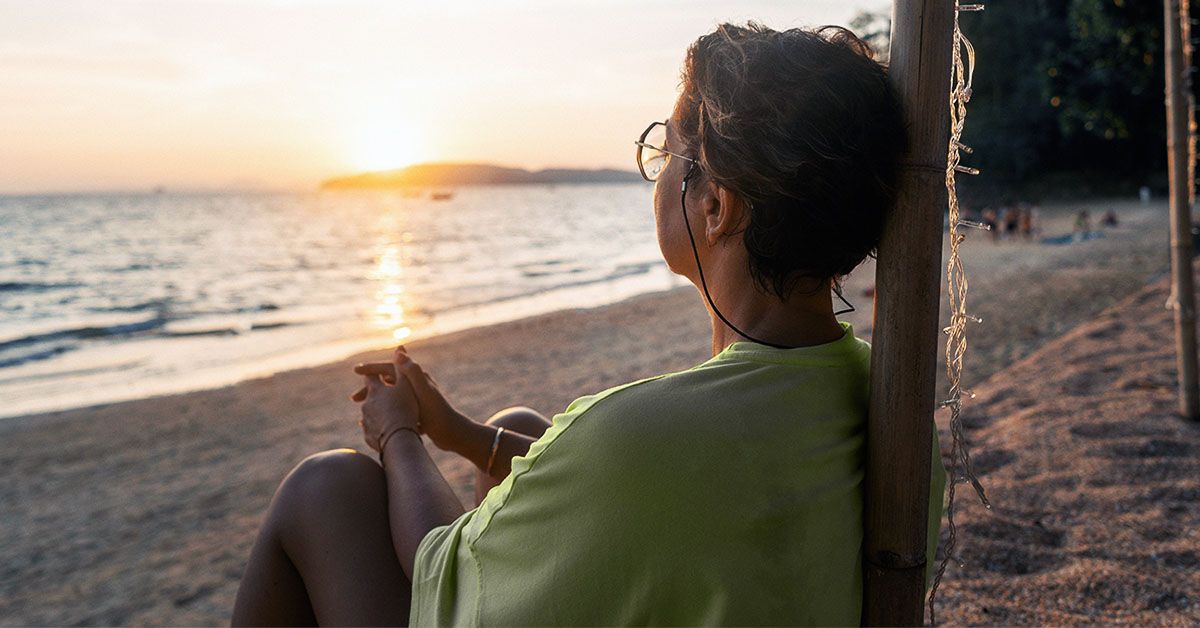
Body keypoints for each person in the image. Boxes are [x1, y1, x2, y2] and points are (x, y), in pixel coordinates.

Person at [231, 22, 946, 626]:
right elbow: (642, 497)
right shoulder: (887, 414)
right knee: (515, 427)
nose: (658, 173)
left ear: (717, 208)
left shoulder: (641, 437)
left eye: (668, 150)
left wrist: (400, 436)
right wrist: (457, 434)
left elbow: (435, 567)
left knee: (324, 487)